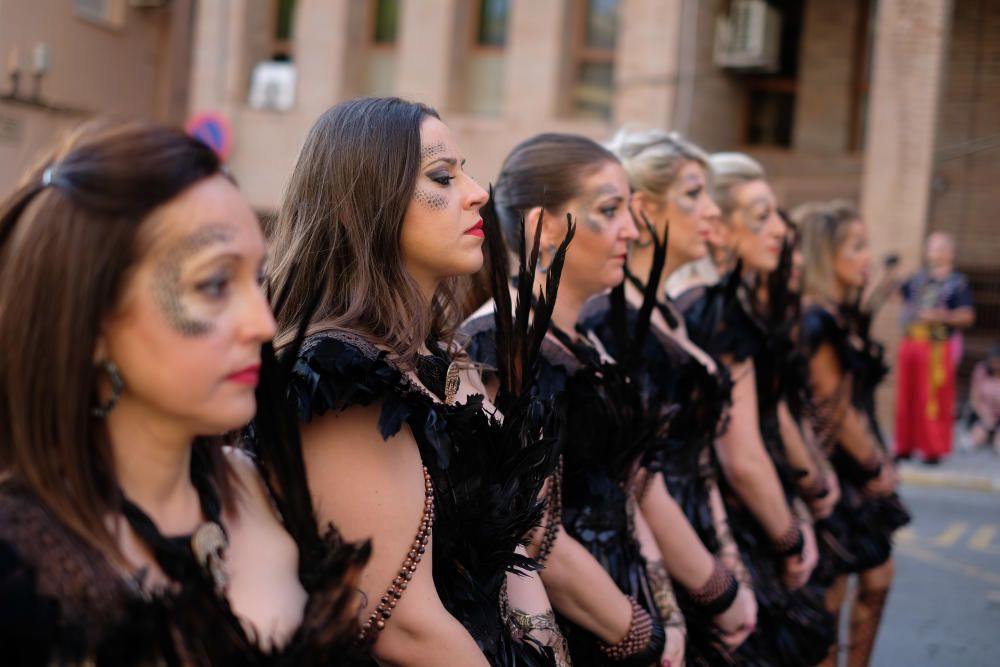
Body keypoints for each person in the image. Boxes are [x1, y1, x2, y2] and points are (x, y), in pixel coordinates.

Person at [0, 121, 367, 665]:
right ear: (93, 321)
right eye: (215, 284)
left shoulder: (253, 484)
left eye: (257, 281)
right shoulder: (20, 565)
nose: (262, 324)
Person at [267, 97, 562, 666]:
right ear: (370, 200)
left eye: (465, 172)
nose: (477, 192)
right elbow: (403, 624)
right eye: (443, 178)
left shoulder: (440, 354)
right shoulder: (337, 374)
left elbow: (509, 555)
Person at [463, 133, 670, 666]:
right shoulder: (507, 343)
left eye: (629, 208)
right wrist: (641, 633)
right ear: (543, 226)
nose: (632, 228)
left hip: (619, 599)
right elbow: (536, 533)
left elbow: (626, 487)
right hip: (577, 621)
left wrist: (668, 611)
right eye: (609, 209)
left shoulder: (581, 338)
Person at [587, 128, 760, 665]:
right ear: (644, 208)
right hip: (653, 554)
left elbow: (703, 456)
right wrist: (712, 589)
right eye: (693, 194)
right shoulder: (614, 323)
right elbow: (633, 479)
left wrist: (729, 558)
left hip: (697, 536)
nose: (712, 211)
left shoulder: (669, 315)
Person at [675, 152, 835, 666]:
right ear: (722, 228)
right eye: (761, 217)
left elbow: (774, 415)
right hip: (724, 527)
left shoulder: (708, 303)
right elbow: (739, 455)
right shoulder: (715, 309)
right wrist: (789, 537)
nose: (781, 232)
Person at [795, 200, 910, 667]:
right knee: (835, 591)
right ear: (826, 254)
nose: (867, 256)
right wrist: (874, 466)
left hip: (858, 464)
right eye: (856, 246)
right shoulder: (815, 320)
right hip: (837, 470)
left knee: (877, 576)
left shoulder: (839, 315)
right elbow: (835, 412)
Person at [895, 232, 975, 463]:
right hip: (911, 342)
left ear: (949, 253)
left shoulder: (957, 282)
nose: (932, 251)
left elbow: (968, 316)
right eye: (930, 247)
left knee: (933, 399)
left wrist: (942, 316)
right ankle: (904, 446)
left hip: (936, 347)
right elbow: (899, 296)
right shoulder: (918, 279)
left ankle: (933, 449)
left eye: (938, 247)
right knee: (906, 396)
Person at [967, 343, 1000, 451]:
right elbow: (974, 399)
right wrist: (985, 416)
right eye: (993, 362)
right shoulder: (981, 370)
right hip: (983, 414)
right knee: (976, 438)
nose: (995, 365)